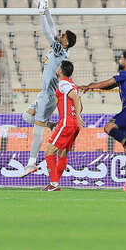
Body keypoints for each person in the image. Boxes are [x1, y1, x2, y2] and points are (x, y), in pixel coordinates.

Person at [20, 0, 77, 177]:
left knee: (36, 127)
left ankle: (31, 163)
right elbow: (52, 30)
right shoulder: (60, 48)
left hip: (49, 95)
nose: (59, 36)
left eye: (62, 36)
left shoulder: (60, 51)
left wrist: (42, 13)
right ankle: (51, 125)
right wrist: (46, 11)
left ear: (66, 43)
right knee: (26, 117)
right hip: (43, 94)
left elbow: (47, 32)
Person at [79, 50, 126, 192]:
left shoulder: (125, 73)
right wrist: (91, 86)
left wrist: (89, 86)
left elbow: (106, 83)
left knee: (108, 128)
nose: (119, 60)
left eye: (121, 58)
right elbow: (109, 86)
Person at [42, 60, 85, 192]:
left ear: (61, 70)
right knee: (62, 152)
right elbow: (79, 103)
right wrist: (76, 115)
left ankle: (54, 184)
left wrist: (77, 116)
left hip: (66, 123)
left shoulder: (63, 83)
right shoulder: (73, 85)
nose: (57, 68)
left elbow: (76, 99)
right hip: (73, 125)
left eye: (59, 66)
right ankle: (55, 183)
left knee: (49, 151)